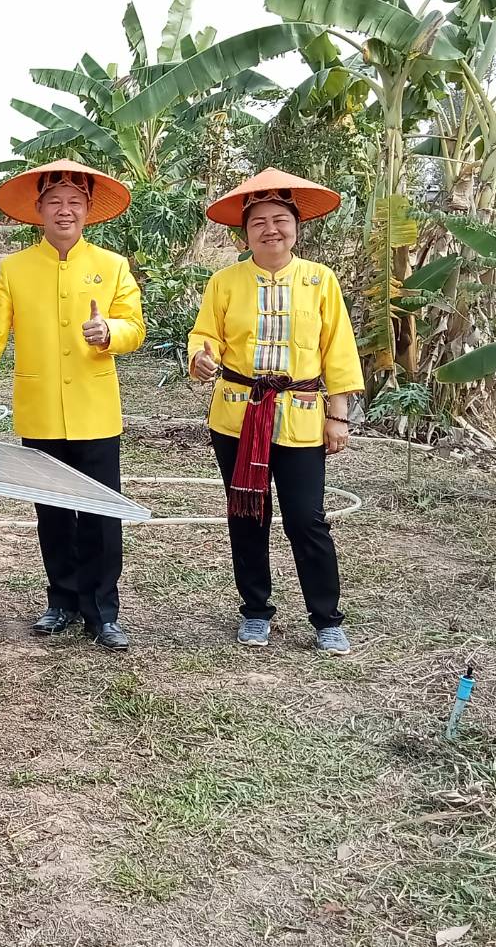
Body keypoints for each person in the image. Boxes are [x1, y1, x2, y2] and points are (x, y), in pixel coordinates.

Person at [0, 160, 144, 649]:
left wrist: (110, 332)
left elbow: (135, 326)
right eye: (55, 202)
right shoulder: (16, 268)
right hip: (40, 410)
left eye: (75, 202)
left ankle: (102, 611)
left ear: (89, 209)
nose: (65, 211)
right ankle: (62, 601)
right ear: (39, 210)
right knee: (51, 512)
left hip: (95, 413)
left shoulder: (112, 267)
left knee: (100, 513)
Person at [187, 167, 364, 656]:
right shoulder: (224, 282)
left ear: (296, 226)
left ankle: (326, 618)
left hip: (302, 415)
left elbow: (338, 348)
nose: (271, 228)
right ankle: (255, 610)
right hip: (237, 415)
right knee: (248, 514)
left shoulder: (319, 280)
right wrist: (202, 356)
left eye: (280, 218)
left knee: (307, 518)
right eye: (259, 220)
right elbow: (205, 336)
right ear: (244, 233)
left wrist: (338, 412)